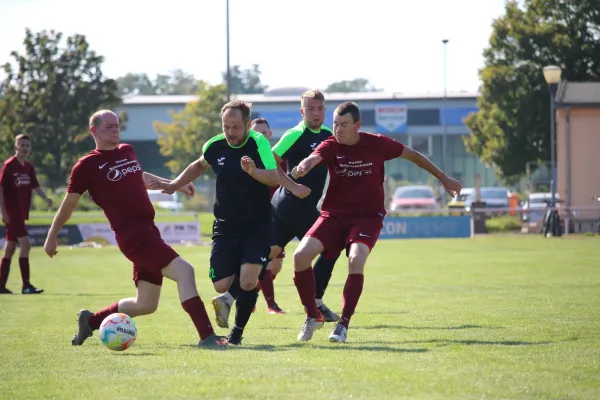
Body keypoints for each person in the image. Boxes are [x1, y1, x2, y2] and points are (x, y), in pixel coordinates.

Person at [43, 110, 226, 348]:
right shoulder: (86, 165)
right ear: (94, 130)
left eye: (117, 125)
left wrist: (175, 185)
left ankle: (91, 321)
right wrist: (52, 235)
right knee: (185, 272)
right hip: (133, 237)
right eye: (109, 126)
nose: (115, 129)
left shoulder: (127, 150)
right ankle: (207, 337)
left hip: (149, 231)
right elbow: (69, 204)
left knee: (146, 304)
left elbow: (138, 175)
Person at [291, 102, 462, 342]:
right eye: (336, 125)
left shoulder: (378, 143)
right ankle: (313, 316)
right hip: (333, 216)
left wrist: (443, 178)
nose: (338, 130)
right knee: (300, 257)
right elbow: (314, 157)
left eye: (344, 125)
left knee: (356, 258)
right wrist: (304, 165)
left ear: (357, 126)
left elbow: (413, 156)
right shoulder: (331, 144)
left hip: (366, 217)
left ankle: (343, 325)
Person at [148, 101, 279, 346]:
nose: (230, 132)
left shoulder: (258, 143)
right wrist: (174, 184)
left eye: (236, 127)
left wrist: (254, 172)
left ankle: (236, 334)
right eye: (226, 126)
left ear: (248, 125)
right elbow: (198, 165)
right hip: (225, 227)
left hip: (257, 225)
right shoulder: (215, 145)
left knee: (248, 280)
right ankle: (228, 297)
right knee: (220, 284)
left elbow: (273, 177)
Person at [211, 117, 286, 322]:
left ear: (270, 135)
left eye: (264, 132)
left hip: (276, 215)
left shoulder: (275, 157)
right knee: (262, 263)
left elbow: (281, 177)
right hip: (256, 222)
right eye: (257, 132)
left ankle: (241, 293)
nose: (261, 135)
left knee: (274, 265)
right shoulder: (245, 155)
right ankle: (263, 301)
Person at [0, 134, 52, 295]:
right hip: (12, 213)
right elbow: (0, 188)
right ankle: (26, 286)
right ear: (15, 147)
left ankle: (1, 286)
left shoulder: (28, 167)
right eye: (21, 145)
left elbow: (35, 186)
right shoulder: (9, 165)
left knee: (9, 249)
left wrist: (46, 198)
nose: (25, 148)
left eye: (27, 145)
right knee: (26, 245)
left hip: (21, 213)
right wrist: (3, 212)